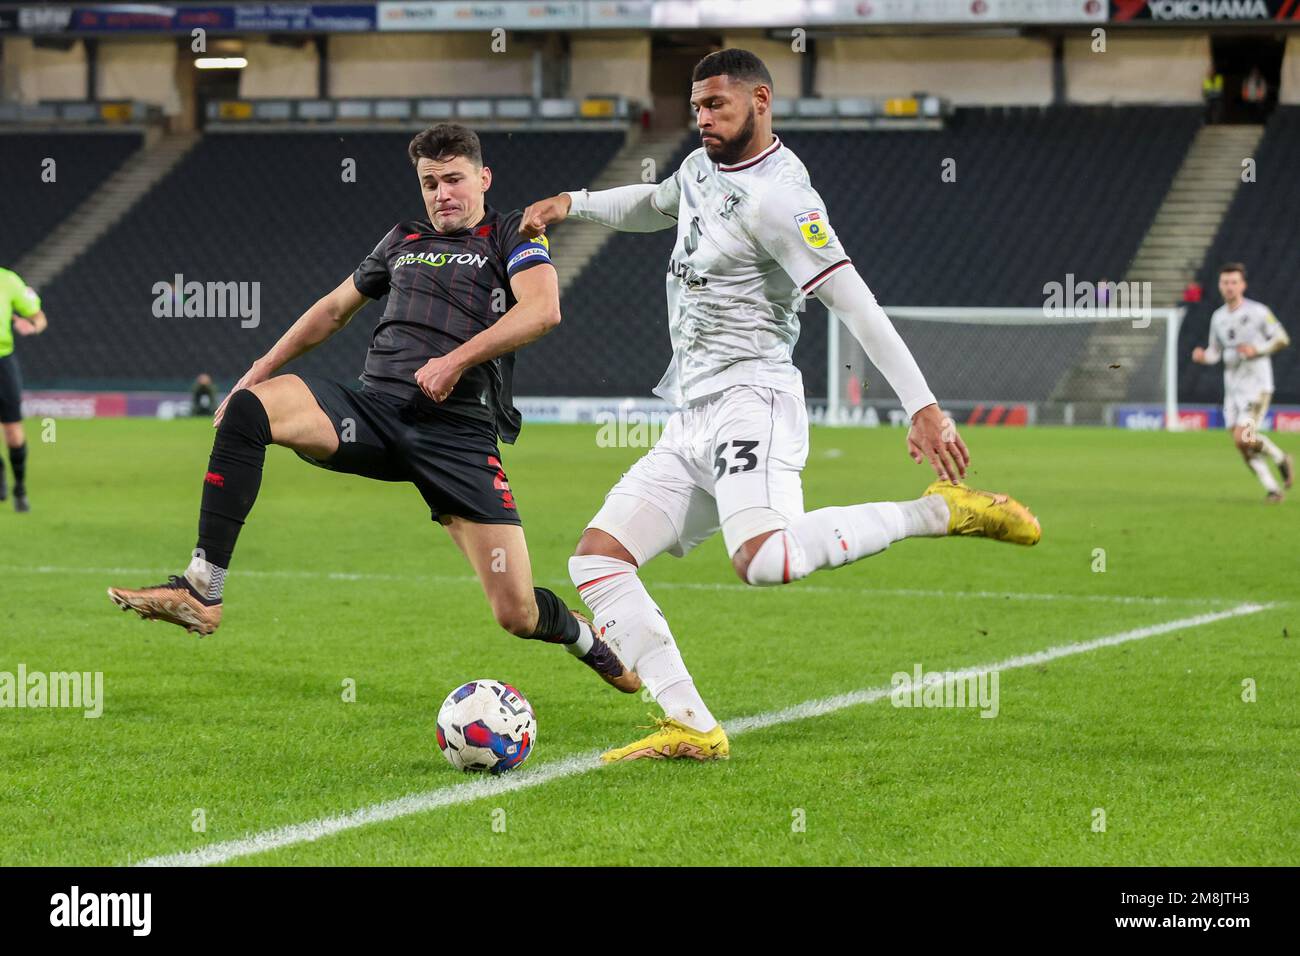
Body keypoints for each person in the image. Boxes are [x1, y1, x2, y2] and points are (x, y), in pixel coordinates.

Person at [520, 49, 1040, 762]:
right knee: (598, 562)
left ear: (760, 100)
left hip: (753, 399)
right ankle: (693, 727)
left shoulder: (783, 199)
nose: (702, 118)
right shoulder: (702, 168)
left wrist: (921, 405)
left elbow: (854, 302)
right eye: (697, 106)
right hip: (693, 412)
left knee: (764, 560)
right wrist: (572, 205)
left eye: (717, 106)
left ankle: (939, 512)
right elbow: (655, 202)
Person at [108, 123, 639, 695]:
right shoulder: (403, 238)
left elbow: (542, 311)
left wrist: (454, 361)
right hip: (374, 413)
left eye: (454, 179)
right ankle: (201, 588)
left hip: (457, 436)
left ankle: (586, 639)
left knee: (517, 614)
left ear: (483, 179)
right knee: (249, 409)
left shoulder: (511, 233)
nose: (442, 194)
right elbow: (334, 309)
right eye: (430, 183)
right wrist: (261, 366)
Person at [1192, 262, 1292, 501]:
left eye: (1234, 282)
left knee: (1243, 437)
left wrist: (1256, 349)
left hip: (1257, 386)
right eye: (1225, 282)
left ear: (1243, 285)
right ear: (1220, 285)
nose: (1229, 287)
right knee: (1241, 444)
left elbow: (1282, 338)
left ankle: (1280, 457)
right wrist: (1203, 356)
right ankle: (1272, 488)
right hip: (1233, 390)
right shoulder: (1218, 318)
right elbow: (1216, 352)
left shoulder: (1258, 312)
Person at [0, 266, 48, 513]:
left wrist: (33, 326)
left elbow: (39, 317)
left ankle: (19, 486)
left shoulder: (8, 281)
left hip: (2, 362)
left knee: (13, 433)